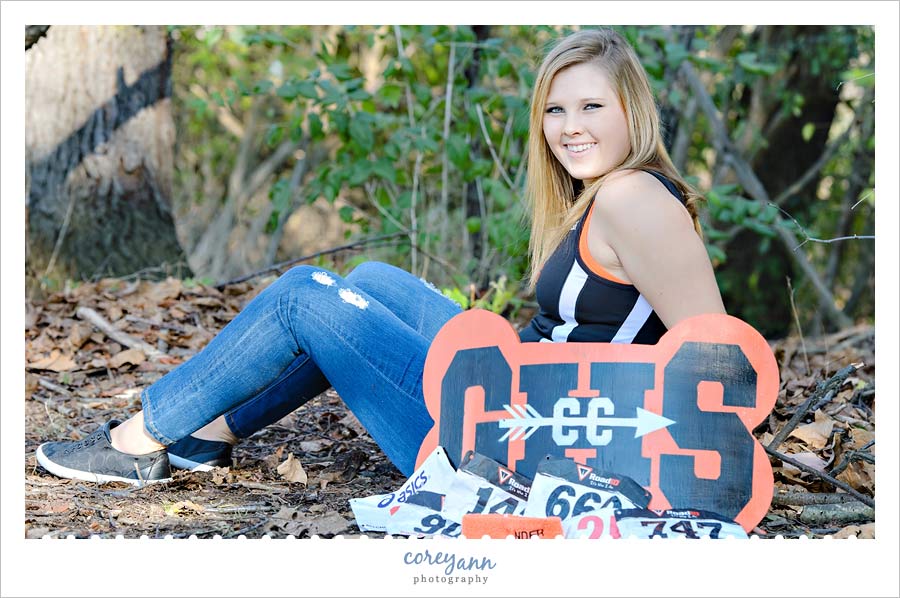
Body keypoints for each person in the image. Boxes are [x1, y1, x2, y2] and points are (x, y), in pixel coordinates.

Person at [35, 27, 725, 486]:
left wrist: (629, 466)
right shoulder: (610, 192)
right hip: (515, 389)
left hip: (516, 444)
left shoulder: (634, 199)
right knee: (369, 280)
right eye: (555, 110)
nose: (570, 128)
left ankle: (141, 439)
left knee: (307, 294)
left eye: (592, 107)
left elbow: (718, 362)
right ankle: (207, 433)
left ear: (632, 111)